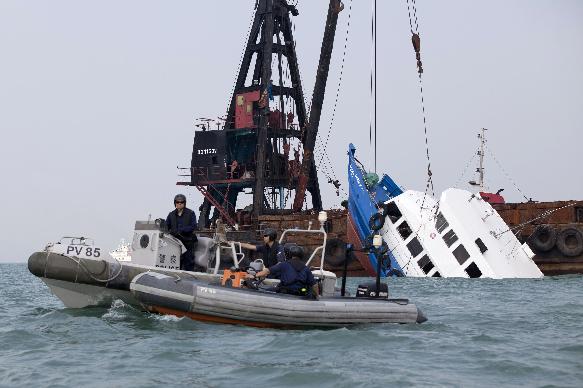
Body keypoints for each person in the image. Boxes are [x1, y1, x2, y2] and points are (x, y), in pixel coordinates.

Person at [247, 243, 318, 299]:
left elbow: (267, 271)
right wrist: (317, 297)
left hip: (286, 293)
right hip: (300, 294)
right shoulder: (306, 268)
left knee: (264, 291)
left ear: (289, 255)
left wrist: (254, 275)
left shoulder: (284, 264)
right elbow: (314, 285)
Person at [166, 194, 198, 271]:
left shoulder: (190, 213)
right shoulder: (171, 214)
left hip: (187, 241)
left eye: (181, 202)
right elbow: (166, 226)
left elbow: (193, 226)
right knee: (175, 260)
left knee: (188, 261)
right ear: (175, 203)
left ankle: (189, 277)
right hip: (175, 242)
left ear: (184, 203)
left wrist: (183, 230)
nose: (179, 203)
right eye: (177, 202)